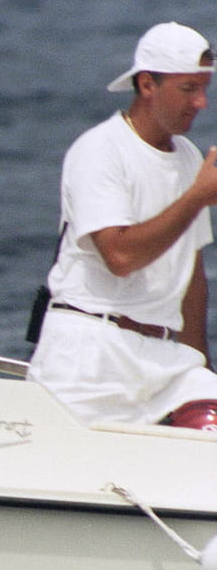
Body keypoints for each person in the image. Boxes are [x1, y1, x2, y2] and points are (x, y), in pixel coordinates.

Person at [28, 21, 217, 427]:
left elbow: (192, 277)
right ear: (147, 84)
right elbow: (120, 256)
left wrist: (202, 363)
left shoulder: (189, 157)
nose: (201, 102)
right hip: (89, 357)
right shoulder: (99, 150)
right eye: (188, 88)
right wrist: (197, 198)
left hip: (165, 361)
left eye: (205, 88)